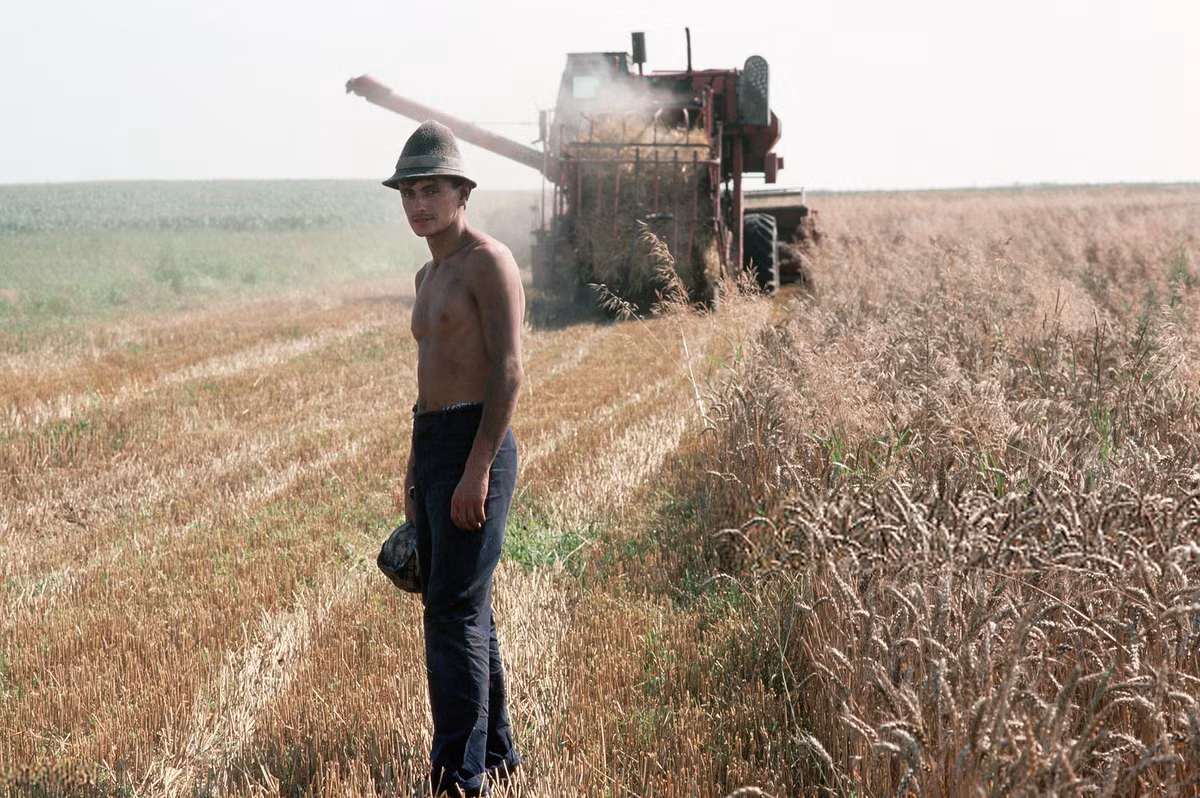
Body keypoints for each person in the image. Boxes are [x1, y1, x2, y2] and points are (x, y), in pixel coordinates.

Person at [384, 120, 525, 796]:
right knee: (468, 608)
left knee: (451, 611)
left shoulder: (488, 261)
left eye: (432, 189)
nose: (419, 203)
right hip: (435, 443)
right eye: (409, 192)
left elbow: (508, 370)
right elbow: (428, 378)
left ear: (463, 192)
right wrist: (417, 466)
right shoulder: (427, 272)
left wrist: (478, 468)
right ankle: (494, 754)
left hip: (477, 443)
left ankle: (456, 779)